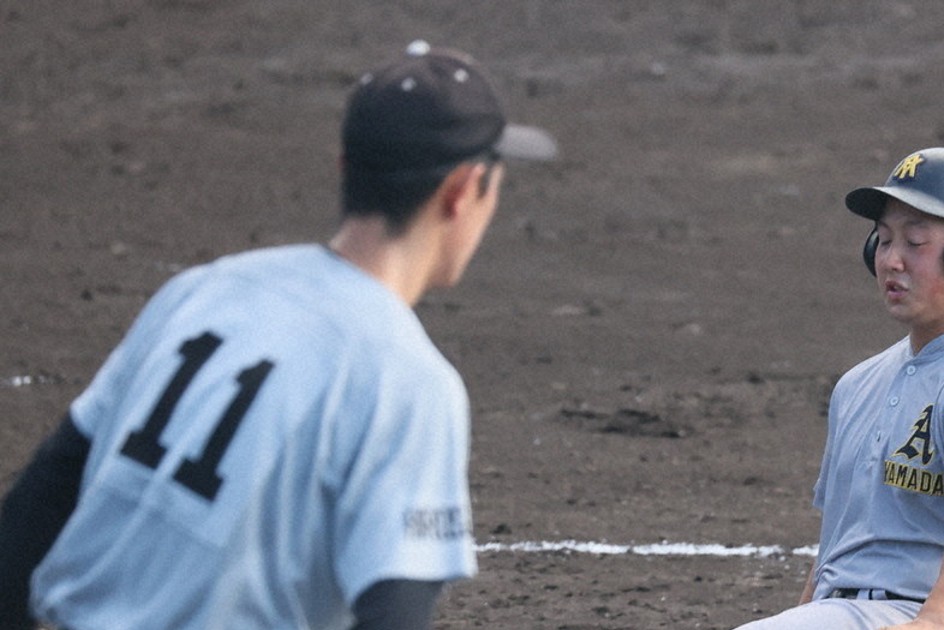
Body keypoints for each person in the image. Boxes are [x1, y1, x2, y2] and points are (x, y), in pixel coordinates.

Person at [0, 40, 556, 630]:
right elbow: (393, 614)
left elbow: (40, 505)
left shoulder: (202, 292)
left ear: (346, 165)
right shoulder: (407, 379)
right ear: (464, 190)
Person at [737, 148, 944, 630]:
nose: (891, 260)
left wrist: (936, 622)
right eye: (884, 241)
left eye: (915, 242)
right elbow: (838, 551)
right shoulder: (858, 385)